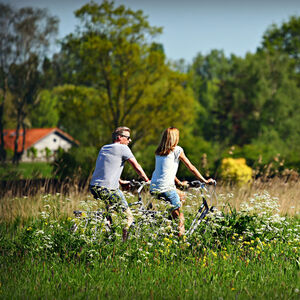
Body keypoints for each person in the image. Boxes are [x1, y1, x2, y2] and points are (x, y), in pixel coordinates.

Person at [150, 127, 215, 236]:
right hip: (166, 188)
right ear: (175, 138)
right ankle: (182, 243)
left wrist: (179, 182)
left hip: (154, 187)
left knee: (182, 195)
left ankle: (169, 220)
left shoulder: (159, 152)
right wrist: (204, 181)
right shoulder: (177, 150)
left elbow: (165, 171)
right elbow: (191, 167)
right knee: (180, 218)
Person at [89, 126, 150, 241]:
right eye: (128, 137)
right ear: (119, 137)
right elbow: (136, 166)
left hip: (94, 186)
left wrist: (121, 181)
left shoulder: (104, 148)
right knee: (128, 217)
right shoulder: (123, 148)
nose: (130, 140)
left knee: (109, 213)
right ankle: (124, 244)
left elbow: (107, 169)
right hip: (108, 188)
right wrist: (147, 180)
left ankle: (108, 238)